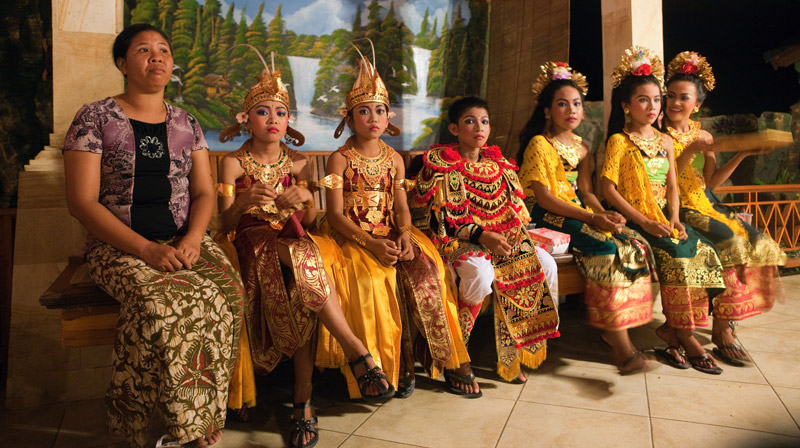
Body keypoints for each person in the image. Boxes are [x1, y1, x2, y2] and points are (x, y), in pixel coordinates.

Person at [62, 24, 244, 448]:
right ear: (124, 64)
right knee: (164, 305)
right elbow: (82, 202)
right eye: (143, 50)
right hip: (119, 247)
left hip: (183, 238)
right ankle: (184, 431)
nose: (156, 56)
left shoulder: (187, 122)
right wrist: (145, 249)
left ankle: (196, 418)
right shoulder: (94, 118)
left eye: (163, 49)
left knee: (229, 295)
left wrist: (194, 239)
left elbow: (203, 193)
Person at [214, 49, 399, 448]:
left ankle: (304, 400)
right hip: (251, 244)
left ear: (288, 121)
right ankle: (356, 351)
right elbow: (221, 226)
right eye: (263, 112)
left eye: (280, 113)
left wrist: (302, 199)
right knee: (306, 257)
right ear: (246, 120)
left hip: (294, 242)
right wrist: (243, 205)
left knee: (304, 287)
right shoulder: (232, 164)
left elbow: (314, 221)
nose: (273, 120)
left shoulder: (298, 164)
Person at [314, 43, 477, 399]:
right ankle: (387, 368)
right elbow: (334, 214)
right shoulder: (337, 161)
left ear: (388, 119)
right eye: (364, 111)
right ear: (349, 117)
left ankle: (448, 360)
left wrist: (404, 235)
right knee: (372, 278)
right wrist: (370, 243)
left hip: (392, 231)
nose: (373, 118)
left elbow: (401, 206)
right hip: (351, 236)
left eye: (380, 111)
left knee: (430, 270)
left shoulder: (396, 161)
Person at [517, 62, 657, 373]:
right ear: (547, 110)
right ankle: (623, 349)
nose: (571, 110)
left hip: (575, 209)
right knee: (603, 247)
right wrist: (592, 220)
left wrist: (604, 213)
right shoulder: (540, 144)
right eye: (562, 104)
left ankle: (616, 327)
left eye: (577, 103)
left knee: (631, 241)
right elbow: (544, 197)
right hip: (543, 214)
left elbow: (586, 191)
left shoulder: (582, 148)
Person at [412, 96, 561, 383]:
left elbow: (514, 212)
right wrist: (483, 236)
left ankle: (519, 350)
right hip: (459, 239)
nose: (479, 127)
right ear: (455, 129)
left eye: (484, 121)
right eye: (470, 121)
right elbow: (447, 220)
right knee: (482, 275)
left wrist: (511, 236)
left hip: (502, 236)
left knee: (546, 264)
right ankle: (457, 349)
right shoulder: (444, 165)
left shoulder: (500, 165)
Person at [600, 46, 726, 375]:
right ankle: (684, 335)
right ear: (627, 105)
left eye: (657, 99)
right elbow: (607, 189)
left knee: (704, 251)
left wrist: (673, 219)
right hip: (635, 220)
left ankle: (675, 330)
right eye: (644, 99)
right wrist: (644, 221)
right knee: (675, 257)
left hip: (663, 218)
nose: (654, 107)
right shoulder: (619, 141)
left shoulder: (665, 141)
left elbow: (672, 186)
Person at [664, 51, 785, 366]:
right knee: (731, 241)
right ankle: (720, 332)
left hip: (706, 201)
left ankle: (726, 324)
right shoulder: (659, 133)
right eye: (671, 96)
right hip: (676, 202)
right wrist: (690, 150)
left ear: (697, 104)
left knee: (759, 241)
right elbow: (666, 178)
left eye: (684, 97)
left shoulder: (703, 132)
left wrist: (744, 154)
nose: (675, 103)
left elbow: (711, 182)